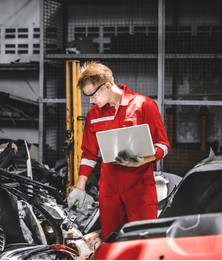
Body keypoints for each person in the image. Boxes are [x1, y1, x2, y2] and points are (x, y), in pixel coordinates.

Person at [67, 61, 170, 240]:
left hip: (139, 189)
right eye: (87, 96)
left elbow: (163, 145)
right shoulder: (94, 114)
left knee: (143, 242)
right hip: (109, 190)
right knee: (112, 241)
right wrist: (80, 187)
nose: (91, 100)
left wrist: (142, 159)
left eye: (93, 95)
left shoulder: (143, 105)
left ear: (107, 86)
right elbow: (89, 154)